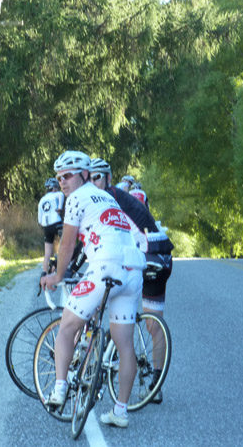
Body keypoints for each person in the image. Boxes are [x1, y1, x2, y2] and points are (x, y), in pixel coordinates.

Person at [40, 151, 146, 428]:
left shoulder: (77, 198)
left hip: (106, 267)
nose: (63, 182)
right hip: (133, 269)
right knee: (125, 345)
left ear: (84, 174)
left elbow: (67, 244)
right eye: (59, 177)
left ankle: (59, 389)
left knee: (67, 328)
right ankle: (120, 412)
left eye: (68, 175)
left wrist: (57, 275)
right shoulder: (107, 197)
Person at [90, 158, 173, 403]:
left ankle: (105, 361)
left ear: (108, 178)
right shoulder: (118, 195)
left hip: (145, 257)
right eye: (89, 178)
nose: (93, 182)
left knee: (99, 300)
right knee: (153, 325)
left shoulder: (106, 199)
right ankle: (154, 387)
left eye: (97, 177)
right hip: (161, 255)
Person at [38, 178, 64, 277]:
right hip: (56, 223)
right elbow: (61, 195)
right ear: (54, 187)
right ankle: (58, 265)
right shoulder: (55, 194)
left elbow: (39, 220)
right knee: (64, 245)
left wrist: (44, 223)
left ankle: (44, 273)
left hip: (46, 226)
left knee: (47, 252)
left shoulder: (41, 200)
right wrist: (60, 208)